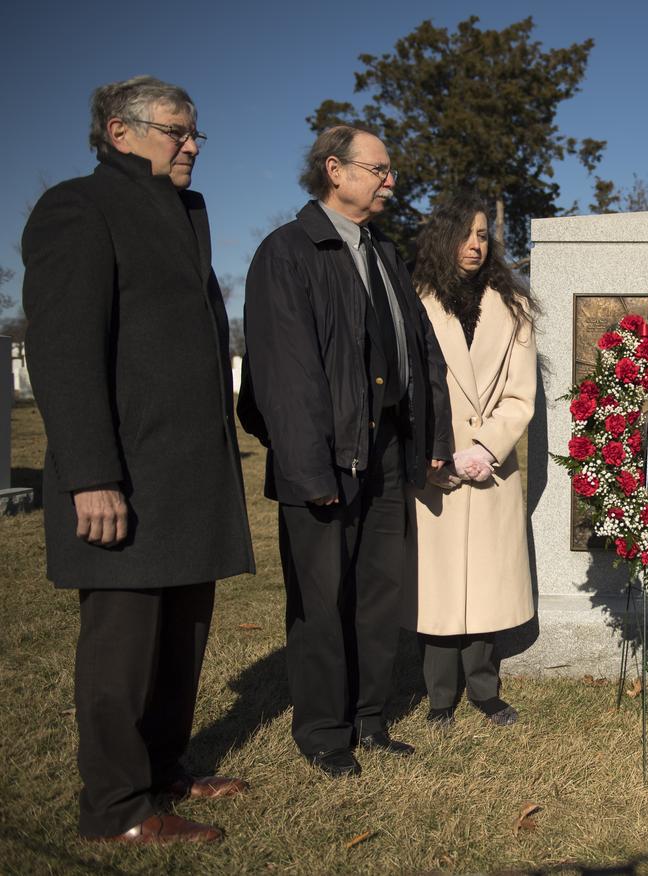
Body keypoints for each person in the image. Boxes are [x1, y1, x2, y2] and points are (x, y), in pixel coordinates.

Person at [21, 76, 255, 843]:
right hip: (124, 472)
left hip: (188, 474)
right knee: (123, 649)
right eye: (175, 132)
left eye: (195, 134)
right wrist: (91, 474)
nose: (190, 145)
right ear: (119, 133)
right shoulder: (77, 208)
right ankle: (116, 809)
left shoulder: (186, 212)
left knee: (182, 634)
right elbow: (64, 351)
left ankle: (164, 771)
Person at [237, 126, 451, 778]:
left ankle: (370, 719)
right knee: (322, 602)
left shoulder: (384, 251)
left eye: (390, 171)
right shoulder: (288, 253)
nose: (392, 181)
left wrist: (432, 440)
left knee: (379, 594)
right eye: (379, 169)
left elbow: (420, 354)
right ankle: (325, 734)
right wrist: (307, 468)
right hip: (325, 457)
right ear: (336, 170)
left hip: (385, 450)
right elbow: (284, 373)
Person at [407, 192, 537, 728]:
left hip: (491, 466)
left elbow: (520, 392)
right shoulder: (413, 300)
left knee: (487, 581)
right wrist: (435, 453)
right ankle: (439, 696)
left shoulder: (515, 306)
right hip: (434, 464)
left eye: (484, 234)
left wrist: (486, 450)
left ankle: (485, 688)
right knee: (437, 587)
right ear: (443, 237)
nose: (476, 244)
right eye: (466, 233)